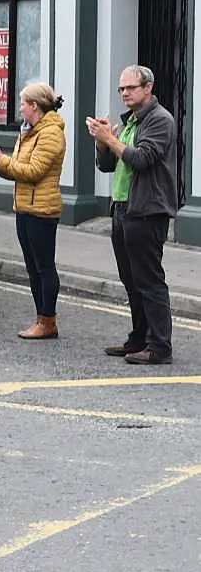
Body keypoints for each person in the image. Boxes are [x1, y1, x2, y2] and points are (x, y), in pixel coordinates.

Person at [90, 64, 179, 364]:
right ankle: (139, 338)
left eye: (130, 88)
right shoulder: (129, 122)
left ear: (148, 88)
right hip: (123, 208)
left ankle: (159, 346)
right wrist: (102, 142)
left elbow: (141, 159)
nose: (125, 93)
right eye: (121, 89)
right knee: (130, 280)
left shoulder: (160, 120)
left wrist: (111, 140)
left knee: (149, 280)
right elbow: (108, 166)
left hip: (147, 210)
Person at [0, 82, 66, 339]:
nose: (19, 109)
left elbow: (34, 172)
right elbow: (19, 170)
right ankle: (41, 318)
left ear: (34, 106)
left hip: (42, 208)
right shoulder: (29, 132)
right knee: (32, 267)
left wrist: (4, 161)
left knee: (43, 267)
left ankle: (47, 319)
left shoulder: (50, 132)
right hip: (25, 206)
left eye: (22, 104)